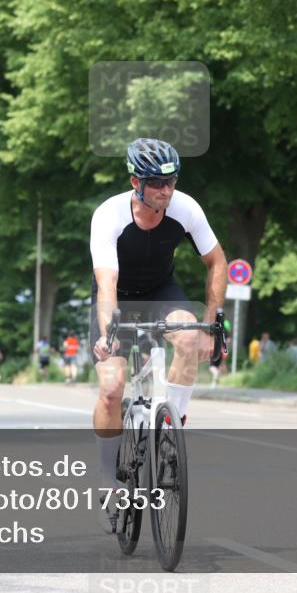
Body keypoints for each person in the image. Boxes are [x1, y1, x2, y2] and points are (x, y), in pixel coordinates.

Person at [90, 138, 226, 533]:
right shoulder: (108, 215)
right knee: (112, 388)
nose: (166, 191)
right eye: (156, 184)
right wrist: (108, 333)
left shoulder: (185, 208)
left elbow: (217, 260)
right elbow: (107, 280)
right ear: (136, 182)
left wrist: (210, 320)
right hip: (117, 295)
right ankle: (107, 480)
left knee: (189, 337)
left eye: (171, 182)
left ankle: (172, 428)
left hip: (161, 293)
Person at [208, 319, 231, 387]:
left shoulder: (213, 327)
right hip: (221, 351)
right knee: (219, 366)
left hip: (214, 350)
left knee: (212, 367)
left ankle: (216, 377)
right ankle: (215, 383)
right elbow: (229, 340)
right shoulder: (224, 330)